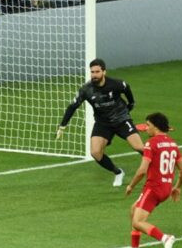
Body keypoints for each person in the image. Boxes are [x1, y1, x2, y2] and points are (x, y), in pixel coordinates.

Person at [56, 58, 144, 186]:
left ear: (104, 72)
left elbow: (127, 88)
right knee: (95, 153)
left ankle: (157, 168)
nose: (94, 75)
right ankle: (118, 172)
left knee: (139, 147)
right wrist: (62, 126)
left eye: (97, 72)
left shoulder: (116, 84)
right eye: (92, 72)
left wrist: (131, 103)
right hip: (103, 124)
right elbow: (72, 107)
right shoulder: (86, 90)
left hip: (121, 119)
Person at [124, 113, 182, 248]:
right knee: (134, 209)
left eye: (148, 125)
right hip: (165, 189)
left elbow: (142, 171)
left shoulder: (151, 143)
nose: (146, 128)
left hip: (153, 189)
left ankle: (165, 238)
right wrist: (177, 187)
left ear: (156, 127)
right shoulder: (173, 144)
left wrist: (131, 186)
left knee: (137, 222)